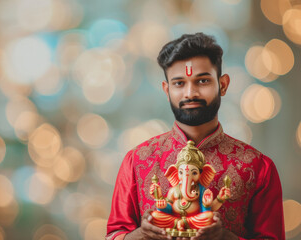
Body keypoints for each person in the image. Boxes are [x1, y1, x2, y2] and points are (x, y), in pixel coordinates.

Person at [105, 32, 285, 240]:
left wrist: (224, 237)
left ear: (223, 85)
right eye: (179, 83)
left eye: (202, 81)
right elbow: (114, 235)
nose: (190, 93)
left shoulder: (257, 167)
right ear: (167, 90)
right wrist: (141, 234)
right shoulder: (137, 161)